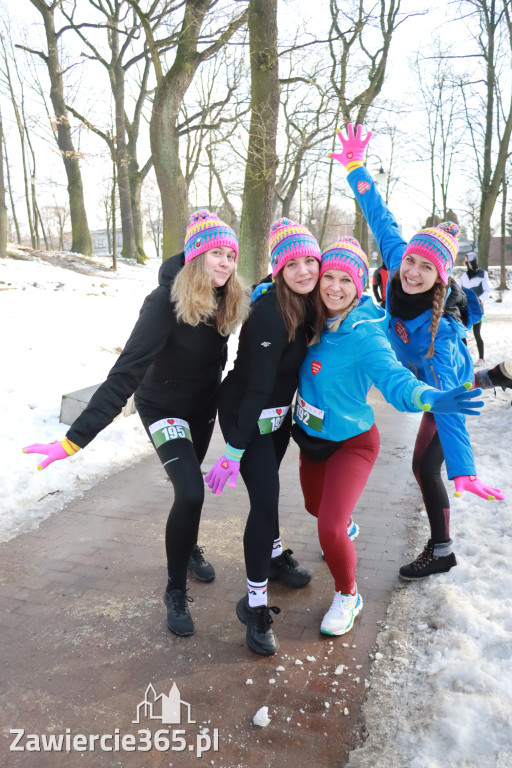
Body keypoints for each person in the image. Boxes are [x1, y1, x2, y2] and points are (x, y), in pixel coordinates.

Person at [23, 209, 250, 638]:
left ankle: (189, 547)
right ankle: (174, 589)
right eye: (216, 253)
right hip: (162, 407)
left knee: (191, 497)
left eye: (230, 254)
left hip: (201, 409)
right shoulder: (162, 305)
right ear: (196, 257)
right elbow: (124, 374)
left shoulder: (229, 296)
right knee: (189, 488)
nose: (225, 262)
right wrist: (73, 441)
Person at [330, 123, 506, 581]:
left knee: (425, 466)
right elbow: (378, 213)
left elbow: (447, 408)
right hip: (420, 373)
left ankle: (442, 549)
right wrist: (355, 167)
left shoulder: (441, 335)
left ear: (440, 278)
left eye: (426, 267)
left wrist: (463, 469)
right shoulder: (396, 257)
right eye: (410, 260)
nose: (412, 271)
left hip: (442, 384)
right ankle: (491, 377)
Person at [292, 237, 485, 636]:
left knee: (327, 526)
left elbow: (396, 381)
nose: (335, 287)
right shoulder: (306, 316)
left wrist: (430, 398)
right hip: (311, 439)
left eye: (347, 279)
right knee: (316, 508)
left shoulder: (367, 333)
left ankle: (348, 594)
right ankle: (341, 527)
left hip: (354, 443)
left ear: (360, 285)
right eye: (329, 276)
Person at [204, 218, 321, 657]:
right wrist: (233, 448)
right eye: (294, 263)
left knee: (270, 492)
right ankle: (253, 605)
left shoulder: (308, 303)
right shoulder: (270, 312)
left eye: (312, 259)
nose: (305, 270)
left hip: (277, 419)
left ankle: (272, 557)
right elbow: (255, 386)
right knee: (265, 500)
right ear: (279, 268)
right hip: (246, 415)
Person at [460, 252, 490, 364]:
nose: (465, 262)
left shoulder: (483, 274)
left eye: (466, 259)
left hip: (477, 310)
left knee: (477, 334)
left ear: (472, 261)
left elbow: (487, 291)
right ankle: (464, 359)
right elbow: (459, 290)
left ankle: (481, 358)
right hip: (464, 309)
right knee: (462, 334)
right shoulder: (464, 276)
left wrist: (479, 299)